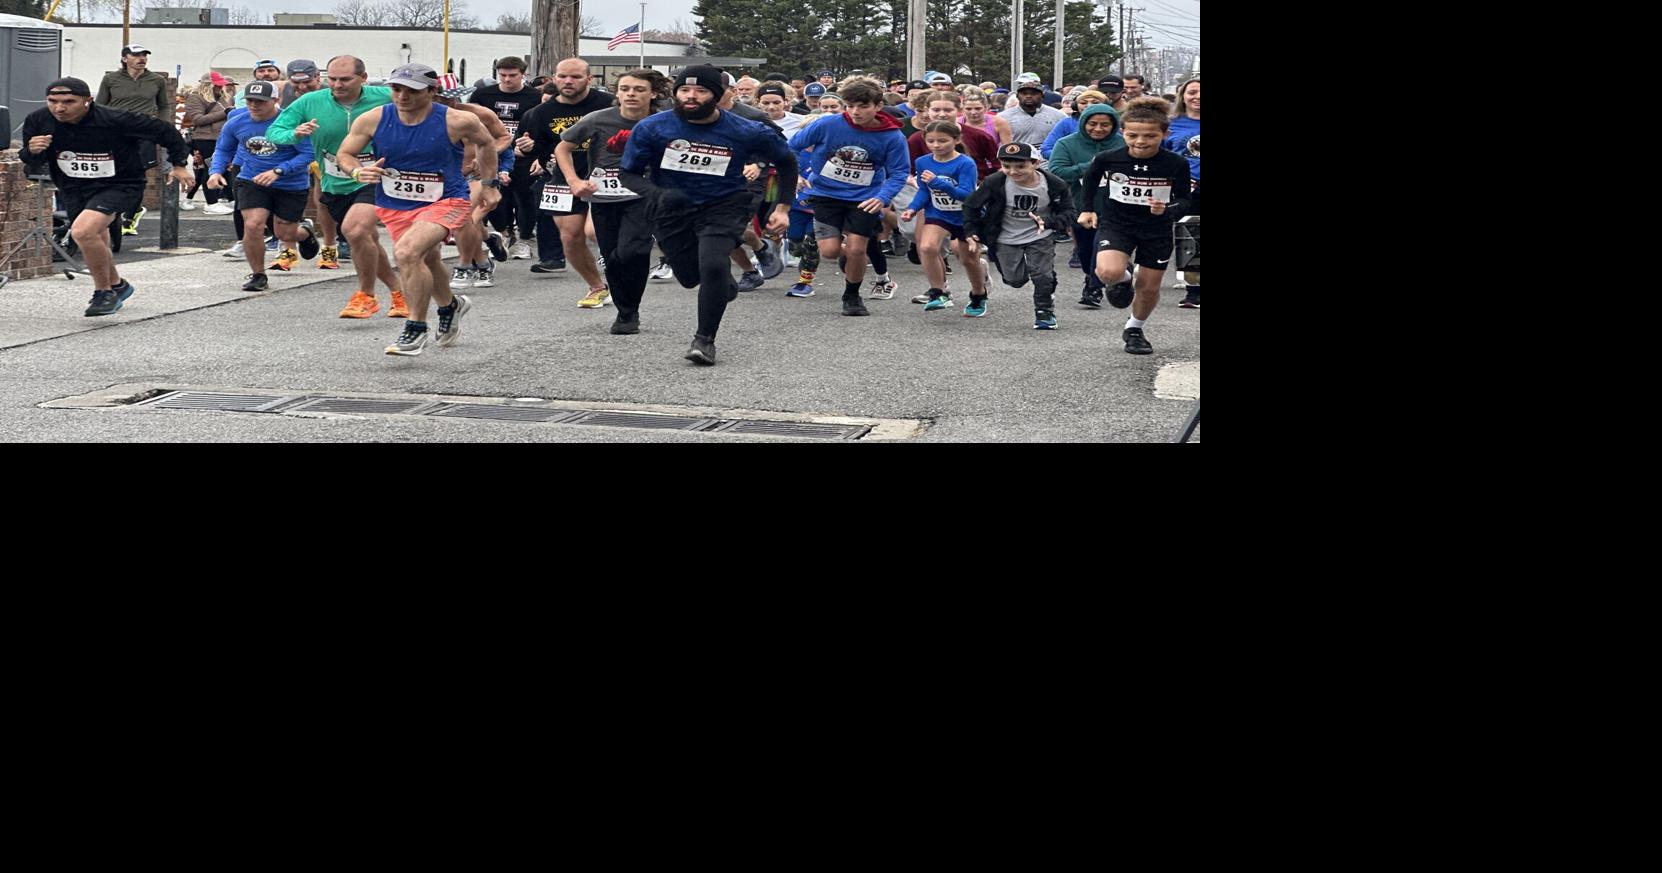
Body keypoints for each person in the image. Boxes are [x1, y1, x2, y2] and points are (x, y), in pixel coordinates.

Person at [618, 64, 798, 365]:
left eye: (701, 91)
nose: (691, 96)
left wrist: (783, 208)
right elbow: (629, 174)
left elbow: (787, 162)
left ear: (718, 95)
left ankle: (704, 340)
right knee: (690, 277)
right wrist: (658, 194)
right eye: (684, 90)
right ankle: (721, 285)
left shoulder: (745, 129)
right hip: (671, 207)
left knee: (713, 262)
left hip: (724, 204)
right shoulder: (653, 127)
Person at [337, 63, 501, 356]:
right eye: (396, 89)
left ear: (432, 91)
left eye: (411, 90)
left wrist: (488, 184)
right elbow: (345, 154)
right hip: (395, 203)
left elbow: (486, 142)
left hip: (447, 199)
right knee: (428, 258)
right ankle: (451, 305)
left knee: (408, 253)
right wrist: (357, 172)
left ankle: (415, 329)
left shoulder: (456, 120)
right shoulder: (373, 119)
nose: (402, 96)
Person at [21, 77, 193, 316]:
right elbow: (31, 161)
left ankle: (104, 293)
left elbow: (164, 131)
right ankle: (117, 285)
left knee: (83, 231)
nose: (59, 108)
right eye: (53, 101)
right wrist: (31, 151)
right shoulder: (38, 120)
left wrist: (179, 164)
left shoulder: (114, 119)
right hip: (74, 186)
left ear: (87, 101)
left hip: (121, 183)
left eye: (69, 101)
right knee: (97, 235)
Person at [265, 55, 409, 318]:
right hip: (335, 181)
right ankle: (399, 292)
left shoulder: (385, 97)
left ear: (363, 78)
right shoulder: (310, 101)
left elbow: (423, 111)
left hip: (375, 176)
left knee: (355, 230)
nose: (337, 84)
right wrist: (295, 134)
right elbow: (275, 132)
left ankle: (366, 295)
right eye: (332, 79)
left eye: (345, 79)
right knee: (366, 241)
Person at [1078, 97, 1193, 354]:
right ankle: (1124, 276)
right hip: (1118, 223)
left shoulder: (1175, 163)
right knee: (1107, 272)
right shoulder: (1108, 158)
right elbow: (1089, 181)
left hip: (1157, 228)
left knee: (1149, 287)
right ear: (1123, 132)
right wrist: (1086, 209)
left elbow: (1185, 200)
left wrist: (1168, 209)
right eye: (1133, 135)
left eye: (1150, 136)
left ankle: (1134, 328)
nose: (1141, 141)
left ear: (1165, 134)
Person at [557, 68, 665, 334]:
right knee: (614, 257)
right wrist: (574, 180)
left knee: (633, 252)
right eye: (625, 89)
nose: (631, 94)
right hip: (605, 198)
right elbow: (563, 147)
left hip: (643, 197)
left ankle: (631, 310)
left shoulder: (664, 122)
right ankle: (626, 313)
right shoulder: (598, 119)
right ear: (617, 92)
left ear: (653, 94)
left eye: (639, 90)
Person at [789, 77, 910, 313]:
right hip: (825, 194)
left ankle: (852, 296)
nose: (855, 112)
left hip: (865, 198)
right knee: (830, 252)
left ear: (877, 106)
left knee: (857, 249)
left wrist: (882, 197)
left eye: (863, 106)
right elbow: (793, 145)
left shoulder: (892, 136)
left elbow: (899, 172)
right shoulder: (827, 125)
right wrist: (795, 174)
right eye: (850, 105)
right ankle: (854, 259)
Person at [207, 80, 321, 292]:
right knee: (253, 225)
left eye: (260, 101)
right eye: (250, 100)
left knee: (285, 234)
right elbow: (223, 149)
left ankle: (304, 233)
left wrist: (278, 171)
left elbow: (308, 154)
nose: (254, 105)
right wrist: (215, 172)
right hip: (252, 179)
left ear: (275, 101)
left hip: (290, 182)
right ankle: (258, 274)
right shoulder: (236, 121)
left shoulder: (292, 121)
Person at [521, 57, 617, 300]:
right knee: (570, 238)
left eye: (575, 76)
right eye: (562, 76)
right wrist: (527, 148)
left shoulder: (607, 104)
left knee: (595, 232)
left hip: (606, 175)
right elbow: (541, 150)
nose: (568, 81)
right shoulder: (541, 113)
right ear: (554, 79)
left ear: (589, 79)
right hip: (563, 179)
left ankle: (620, 272)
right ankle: (597, 286)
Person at [963, 142, 1076, 330]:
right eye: (1007, 166)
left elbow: (1069, 212)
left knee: (1041, 274)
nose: (1013, 171)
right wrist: (971, 232)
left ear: (1036, 163)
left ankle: (1044, 311)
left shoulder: (1054, 184)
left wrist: (1048, 222)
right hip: (1005, 237)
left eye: (1021, 166)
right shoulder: (995, 182)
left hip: (1040, 235)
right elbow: (971, 206)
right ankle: (988, 270)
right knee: (1015, 280)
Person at [435, 75, 514, 290]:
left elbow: (504, 138)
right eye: (441, 98)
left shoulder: (478, 114)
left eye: (452, 98)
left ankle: (463, 266)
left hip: (477, 176)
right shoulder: (423, 117)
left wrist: (486, 155)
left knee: (463, 216)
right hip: (446, 176)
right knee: (469, 222)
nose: (448, 103)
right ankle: (485, 255)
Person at [900, 121, 986, 314]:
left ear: (956, 140)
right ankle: (939, 292)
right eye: (931, 141)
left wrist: (939, 182)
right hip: (938, 212)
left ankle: (979, 294)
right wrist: (912, 209)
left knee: (967, 259)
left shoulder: (965, 163)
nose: (936, 145)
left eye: (942, 141)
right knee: (927, 247)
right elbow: (924, 191)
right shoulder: (923, 162)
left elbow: (966, 194)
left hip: (965, 215)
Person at [1048, 103, 1123, 307]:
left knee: (1102, 245)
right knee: (1085, 250)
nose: (1098, 128)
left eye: (1105, 125)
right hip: (1080, 204)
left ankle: (1093, 287)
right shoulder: (1067, 143)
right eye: (1093, 124)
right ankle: (1100, 275)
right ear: (1083, 123)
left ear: (1114, 125)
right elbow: (1056, 170)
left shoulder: (1123, 142)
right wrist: (1091, 167)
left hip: (1115, 207)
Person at [474, 56, 547, 262]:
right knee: (496, 196)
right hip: (492, 153)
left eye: (512, 75)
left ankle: (524, 239)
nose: (507, 79)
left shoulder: (534, 96)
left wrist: (537, 152)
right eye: (503, 75)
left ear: (523, 75)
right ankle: (504, 233)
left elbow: (543, 125)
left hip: (523, 154)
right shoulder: (483, 95)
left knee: (524, 197)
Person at [96, 45, 170, 236]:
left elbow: (163, 106)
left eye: (144, 55)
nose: (141, 58)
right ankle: (117, 210)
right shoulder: (111, 79)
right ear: (124, 58)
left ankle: (130, 216)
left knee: (139, 173)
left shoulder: (156, 80)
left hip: (144, 131)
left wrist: (163, 128)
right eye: (136, 55)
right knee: (114, 172)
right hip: (117, 132)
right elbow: (100, 106)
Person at [1165, 76, 1200, 309]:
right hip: (1185, 188)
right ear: (1183, 96)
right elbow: (1161, 154)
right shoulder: (1171, 123)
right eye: (1192, 92)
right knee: (1190, 236)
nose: (1197, 97)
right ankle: (1193, 290)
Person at [182, 72, 233, 213]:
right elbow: (197, 119)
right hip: (205, 138)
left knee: (220, 169)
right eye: (217, 85)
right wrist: (225, 113)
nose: (220, 87)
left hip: (220, 137)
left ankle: (227, 199)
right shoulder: (195, 97)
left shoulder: (221, 97)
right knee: (208, 170)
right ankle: (211, 203)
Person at [1005, 74, 1069, 156]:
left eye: (1034, 93)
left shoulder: (1059, 116)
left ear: (1042, 96)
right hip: (1017, 160)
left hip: (1048, 161)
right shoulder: (1004, 117)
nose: (1028, 96)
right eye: (1024, 93)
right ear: (1017, 96)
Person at [1040, 89, 1108, 158]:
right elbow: (1046, 150)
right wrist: (1070, 157)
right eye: (1083, 103)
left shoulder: (1112, 123)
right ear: (1075, 106)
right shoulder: (1066, 123)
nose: (1089, 106)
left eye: (1095, 103)